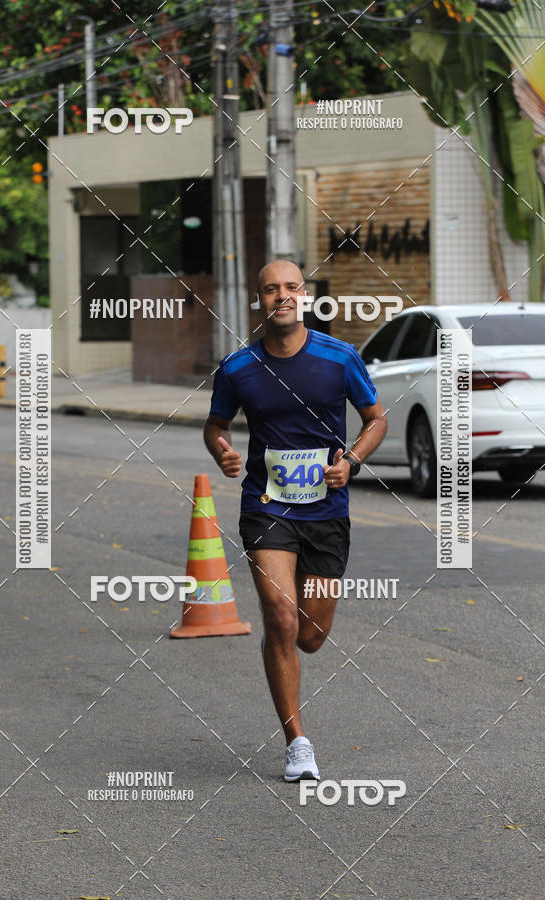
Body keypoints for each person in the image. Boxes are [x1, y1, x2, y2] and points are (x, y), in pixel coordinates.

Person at [203, 259, 387, 781]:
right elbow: (215, 425)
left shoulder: (339, 357)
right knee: (281, 618)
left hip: (326, 511)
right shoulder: (238, 367)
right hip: (267, 506)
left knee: (309, 636)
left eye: (290, 287)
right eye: (270, 289)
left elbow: (376, 419)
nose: (281, 296)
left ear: (304, 295)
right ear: (258, 299)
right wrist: (222, 450)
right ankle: (297, 743)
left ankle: (280, 641)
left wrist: (350, 462)